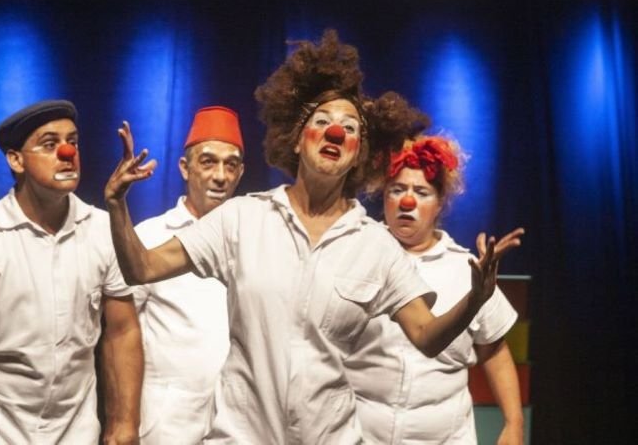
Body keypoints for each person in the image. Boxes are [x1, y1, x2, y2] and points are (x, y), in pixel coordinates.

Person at [104, 30, 523, 443]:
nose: (335, 133)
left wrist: (474, 300)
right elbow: (142, 267)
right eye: (321, 122)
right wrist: (118, 205)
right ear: (296, 141)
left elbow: (427, 337)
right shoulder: (242, 218)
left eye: (349, 128)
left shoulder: (375, 244)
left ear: (357, 154)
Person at [0, 100, 143, 445]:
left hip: (74, 426)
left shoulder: (104, 230)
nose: (67, 153)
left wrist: (125, 421)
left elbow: (122, 330)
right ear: (16, 160)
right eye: (50, 144)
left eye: (72, 141)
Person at [345, 135, 525, 444]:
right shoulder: (356, 256)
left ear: (440, 202)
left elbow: (494, 349)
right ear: (384, 196)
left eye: (421, 192)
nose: (407, 202)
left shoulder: (466, 269)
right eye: (397, 190)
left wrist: (514, 422)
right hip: (360, 434)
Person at [129, 106, 244, 443]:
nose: (220, 176)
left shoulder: (252, 238)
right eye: (208, 162)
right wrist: (123, 418)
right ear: (185, 167)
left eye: (230, 165)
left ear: (240, 173)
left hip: (235, 420)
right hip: (166, 421)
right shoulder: (151, 236)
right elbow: (121, 334)